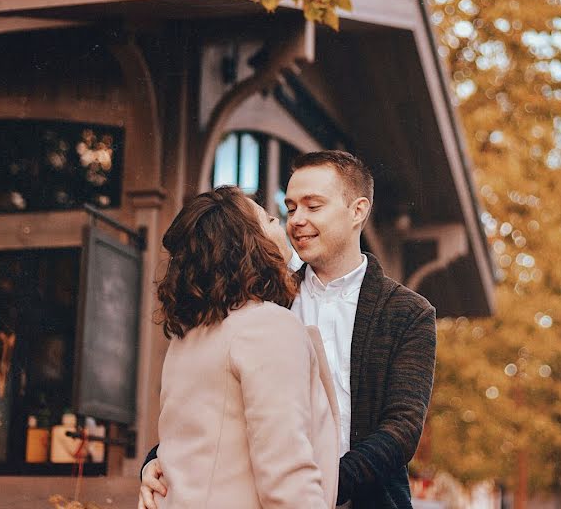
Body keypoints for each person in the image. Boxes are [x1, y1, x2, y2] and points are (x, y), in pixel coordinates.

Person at [140, 151, 437, 509]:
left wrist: (322, 486)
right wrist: (157, 461)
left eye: (313, 206)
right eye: (290, 207)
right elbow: (213, 402)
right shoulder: (258, 305)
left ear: (358, 211)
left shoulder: (409, 312)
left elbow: (401, 429)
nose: (296, 220)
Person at [144, 186, 340, 509]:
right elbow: (287, 478)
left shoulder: (186, 340)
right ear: (249, 243)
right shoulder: (268, 327)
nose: (280, 222)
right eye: (267, 219)